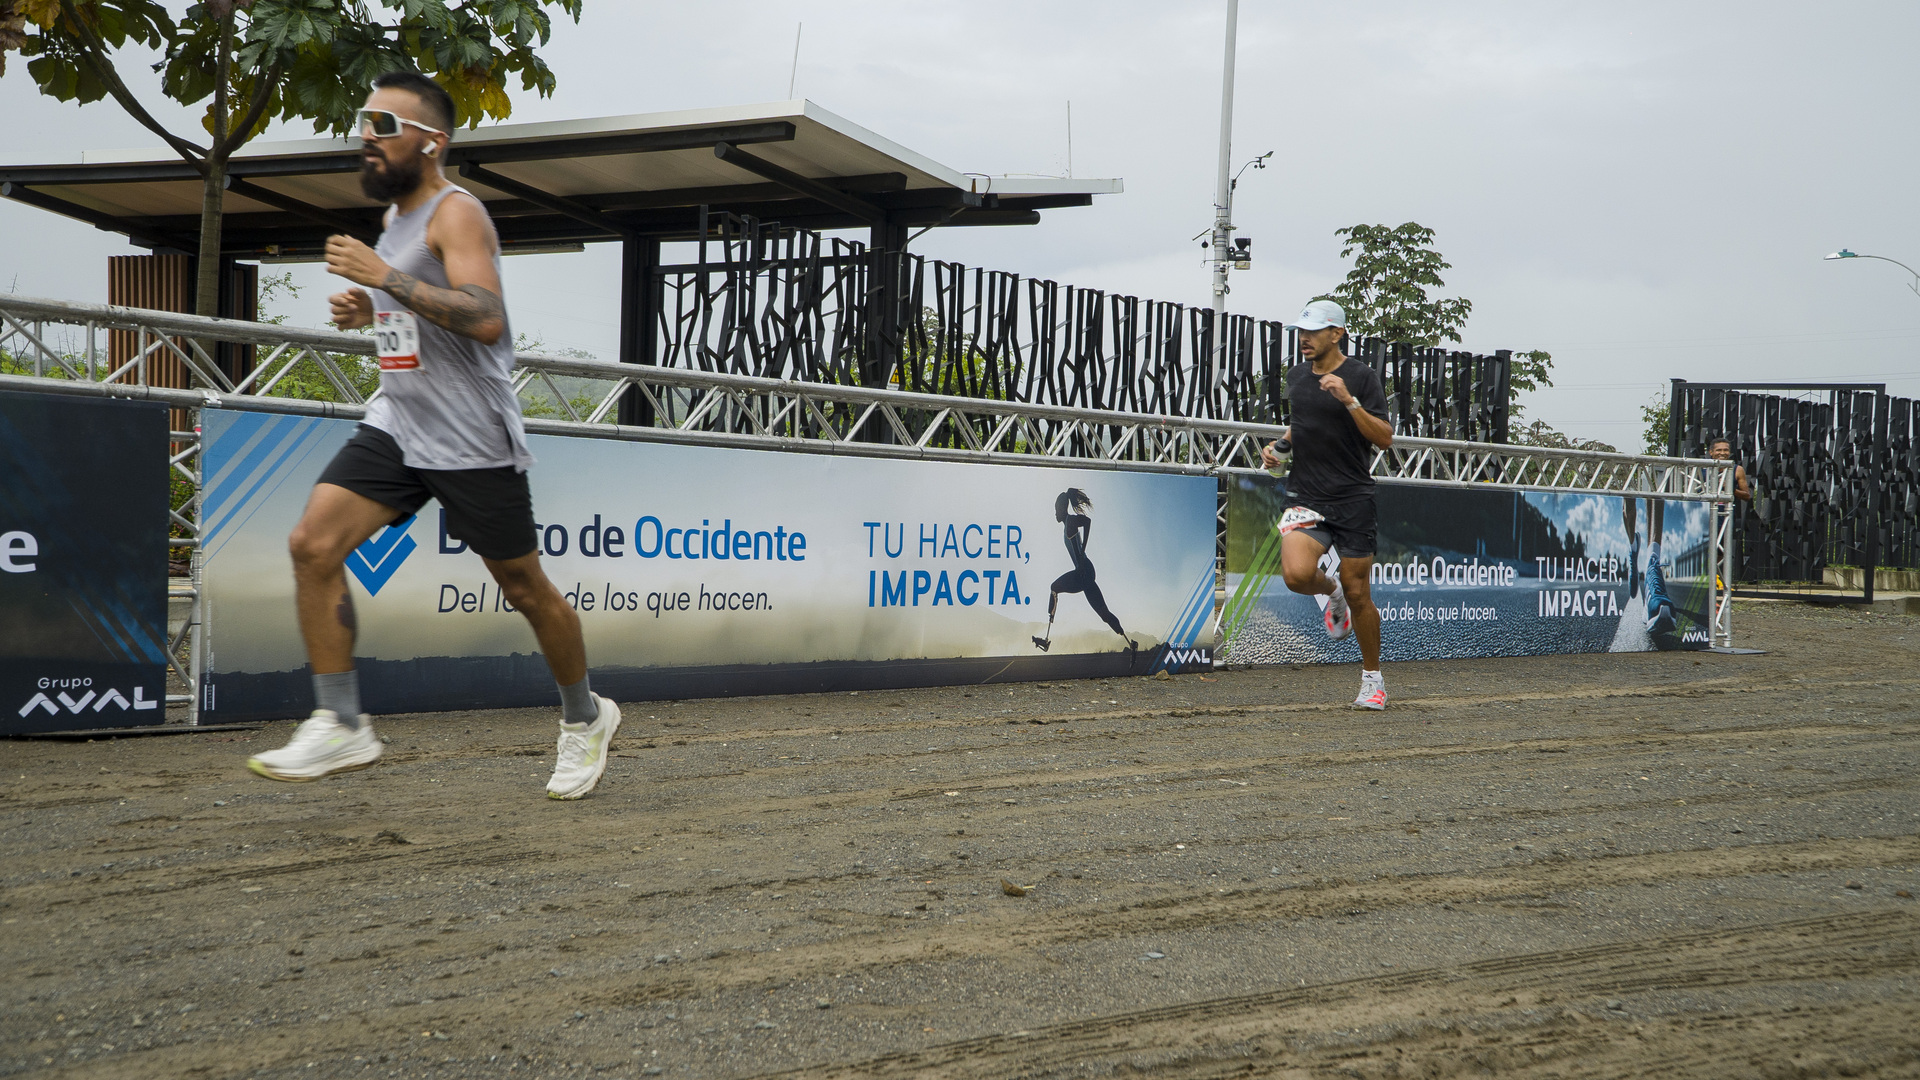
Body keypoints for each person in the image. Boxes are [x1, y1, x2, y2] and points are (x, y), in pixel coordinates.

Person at [246, 71, 621, 798]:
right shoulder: (395, 220)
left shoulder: (458, 213)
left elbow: (485, 317)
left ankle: (585, 716)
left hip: (468, 432)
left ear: (431, 141)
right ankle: (341, 721)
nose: (367, 136)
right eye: (363, 122)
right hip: (398, 419)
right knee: (312, 544)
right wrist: (374, 310)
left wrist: (385, 279)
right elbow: (421, 311)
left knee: (523, 587)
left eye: (384, 125)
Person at [1258, 300, 1394, 709]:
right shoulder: (1297, 376)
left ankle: (1373, 680)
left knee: (1360, 593)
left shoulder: (1361, 376)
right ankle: (1331, 592)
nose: (1304, 338)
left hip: (1353, 498)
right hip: (1306, 495)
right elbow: (1302, 423)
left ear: (1336, 334)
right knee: (1297, 575)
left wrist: (1349, 400)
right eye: (1301, 331)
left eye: (1313, 331)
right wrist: (1279, 448)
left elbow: (1384, 438)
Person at [1032, 488, 1136, 654]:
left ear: (1062, 508)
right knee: (1104, 614)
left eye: (1056, 510)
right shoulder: (1067, 525)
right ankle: (1130, 644)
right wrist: (1080, 557)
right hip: (1084, 572)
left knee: (1054, 588)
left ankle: (1046, 638)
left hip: (1084, 571)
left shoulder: (1071, 521)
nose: (1055, 514)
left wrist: (1081, 555)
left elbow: (1087, 522)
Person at [1708, 436, 1751, 502]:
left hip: (1728, 507)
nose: (1722, 453)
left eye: (1725, 450)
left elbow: (1747, 496)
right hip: (1704, 507)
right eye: (1718, 450)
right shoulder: (1700, 468)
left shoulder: (1738, 470)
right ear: (1711, 452)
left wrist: (1729, 488)